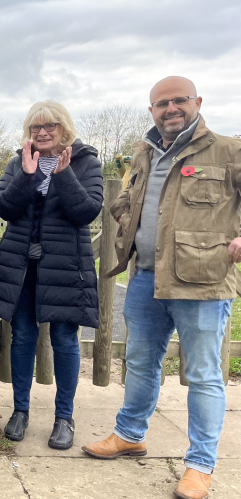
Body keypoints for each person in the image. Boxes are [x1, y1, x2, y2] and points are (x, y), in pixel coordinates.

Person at [82, 77, 241, 499]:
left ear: (197, 102)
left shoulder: (229, 150)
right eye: (161, 103)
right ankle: (130, 434)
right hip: (145, 276)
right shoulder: (145, 151)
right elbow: (129, 196)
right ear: (151, 110)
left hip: (203, 283)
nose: (171, 108)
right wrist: (124, 215)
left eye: (179, 101)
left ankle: (200, 465)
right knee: (139, 362)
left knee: (204, 374)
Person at [0, 100, 103, 450]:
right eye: (36, 128)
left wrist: (62, 176)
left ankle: (64, 417)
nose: (43, 133)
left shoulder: (86, 162)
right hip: (22, 267)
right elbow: (3, 206)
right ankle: (20, 411)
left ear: (64, 129)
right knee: (21, 336)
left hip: (65, 268)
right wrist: (28, 174)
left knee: (64, 339)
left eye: (50, 126)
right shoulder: (19, 162)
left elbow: (86, 211)